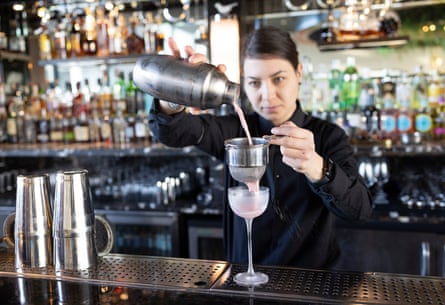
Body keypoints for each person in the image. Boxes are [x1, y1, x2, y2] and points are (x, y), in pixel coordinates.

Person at [148, 26, 373, 269]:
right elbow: (174, 130)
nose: (267, 96)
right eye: (254, 83)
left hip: (310, 285)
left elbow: (359, 209)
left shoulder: (328, 136)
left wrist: (317, 166)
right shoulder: (234, 131)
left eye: (278, 79)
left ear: (298, 73)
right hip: (244, 281)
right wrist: (172, 94)